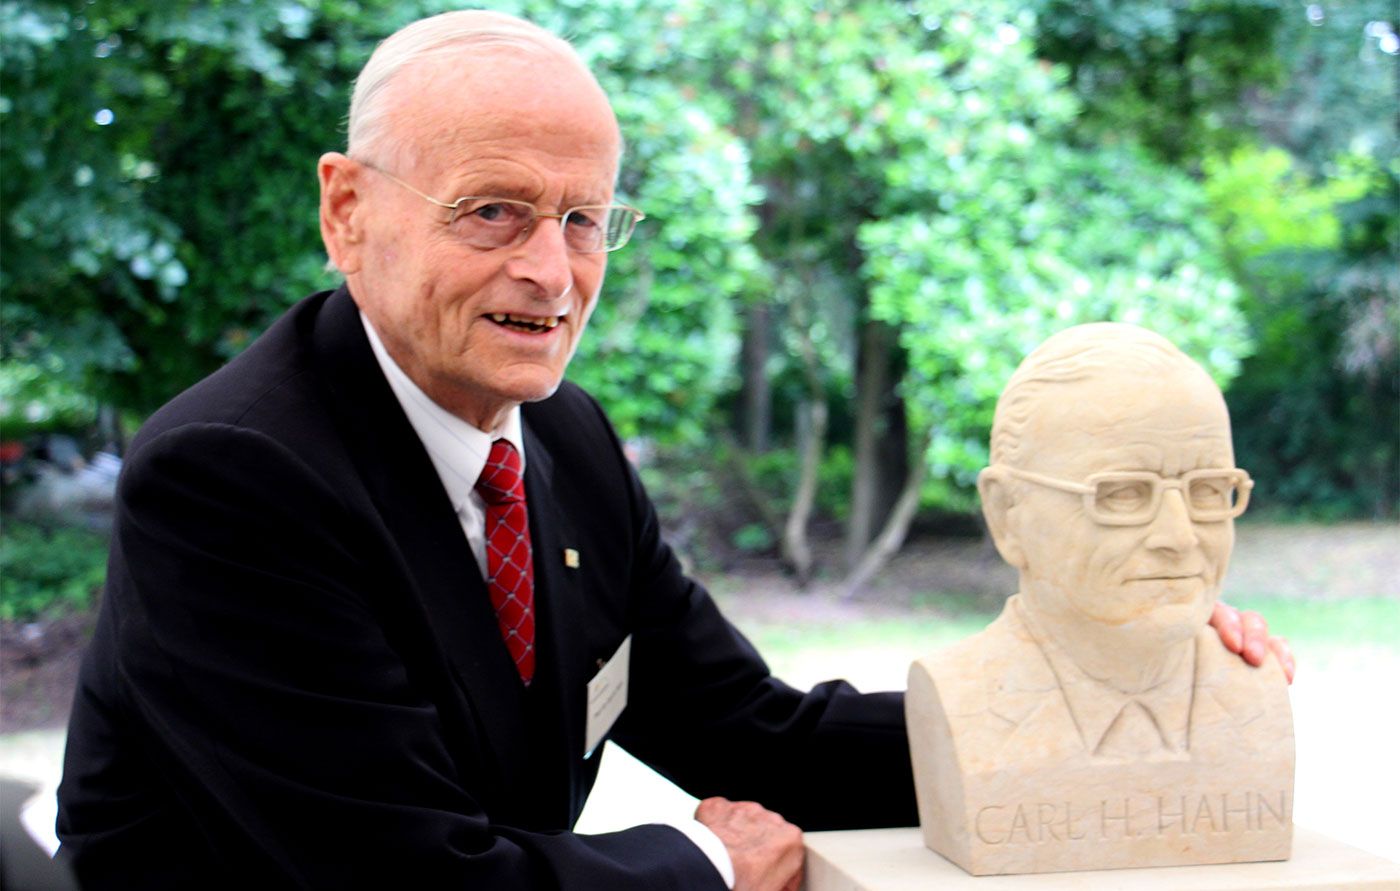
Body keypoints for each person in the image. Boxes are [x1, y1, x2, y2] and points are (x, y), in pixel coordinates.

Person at [55, 12, 1289, 891]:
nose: (550, 271)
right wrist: (706, 863)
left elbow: (752, 735)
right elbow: (398, 871)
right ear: (347, 210)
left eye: (584, 218)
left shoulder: (563, 440)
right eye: (492, 210)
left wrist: (1085, 682)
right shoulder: (230, 476)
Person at [906, 323, 1294, 874]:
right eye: (1123, 494)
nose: (1180, 537)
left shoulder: (1252, 692)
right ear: (1007, 514)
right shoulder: (958, 696)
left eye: (1208, 490)